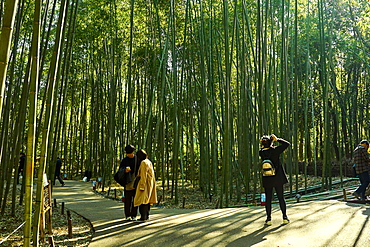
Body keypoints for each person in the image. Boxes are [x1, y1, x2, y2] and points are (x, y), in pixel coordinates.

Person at [259, 134, 290, 226]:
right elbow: (286, 144)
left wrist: (270, 142)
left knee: (268, 199)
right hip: (277, 178)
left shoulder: (261, 152)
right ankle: (284, 217)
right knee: (281, 198)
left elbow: (265, 149)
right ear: (270, 143)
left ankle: (268, 219)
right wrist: (277, 139)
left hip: (267, 178)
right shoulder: (275, 151)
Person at [134, 149, 157, 222]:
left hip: (145, 184)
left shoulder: (143, 163)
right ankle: (146, 216)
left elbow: (143, 175)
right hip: (150, 183)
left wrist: (141, 186)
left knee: (142, 200)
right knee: (147, 200)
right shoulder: (148, 161)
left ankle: (143, 217)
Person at [120, 145, 139, 221]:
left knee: (135, 199)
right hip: (127, 182)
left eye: (130, 153)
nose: (129, 154)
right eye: (128, 153)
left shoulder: (137, 159)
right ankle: (127, 215)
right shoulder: (124, 160)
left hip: (136, 181)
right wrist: (125, 170)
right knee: (127, 200)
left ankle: (134, 215)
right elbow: (120, 170)